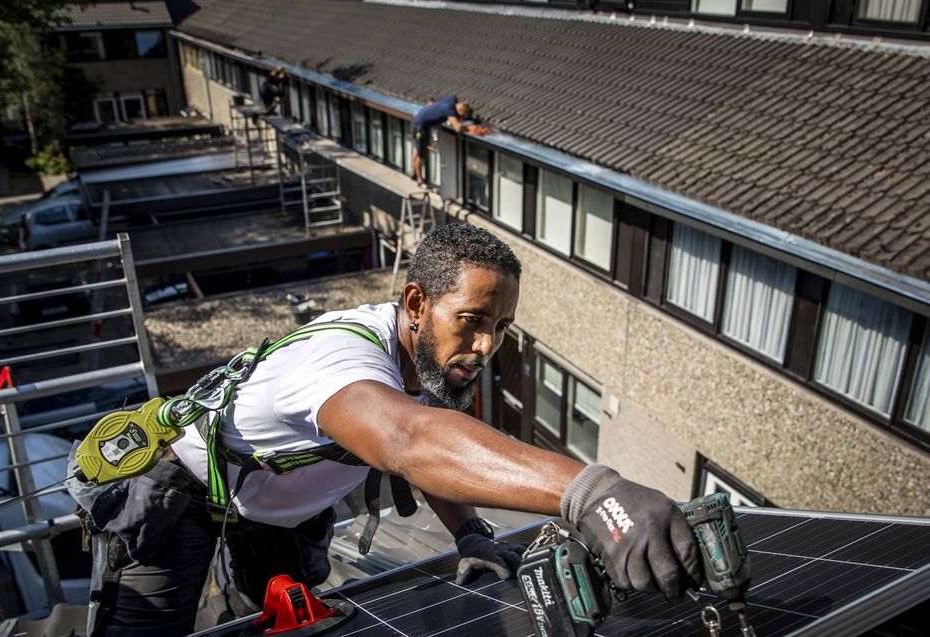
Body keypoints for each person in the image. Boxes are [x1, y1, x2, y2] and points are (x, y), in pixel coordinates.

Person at [77, 224, 701, 636]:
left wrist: (471, 534)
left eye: (502, 326)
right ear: (414, 305)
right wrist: (593, 491)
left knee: (272, 620)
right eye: (473, 320)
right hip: (182, 492)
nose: (486, 345)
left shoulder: (432, 356)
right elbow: (409, 441)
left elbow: (437, 447)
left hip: (276, 513)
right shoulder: (342, 358)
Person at [410, 95, 491, 187]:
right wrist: (469, 127)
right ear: (461, 110)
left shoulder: (452, 99)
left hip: (416, 121)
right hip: (420, 127)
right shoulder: (450, 111)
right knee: (421, 155)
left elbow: (434, 103)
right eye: (463, 116)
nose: (461, 118)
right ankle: (419, 180)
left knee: (416, 151)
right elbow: (458, 128)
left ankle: (414, 174)